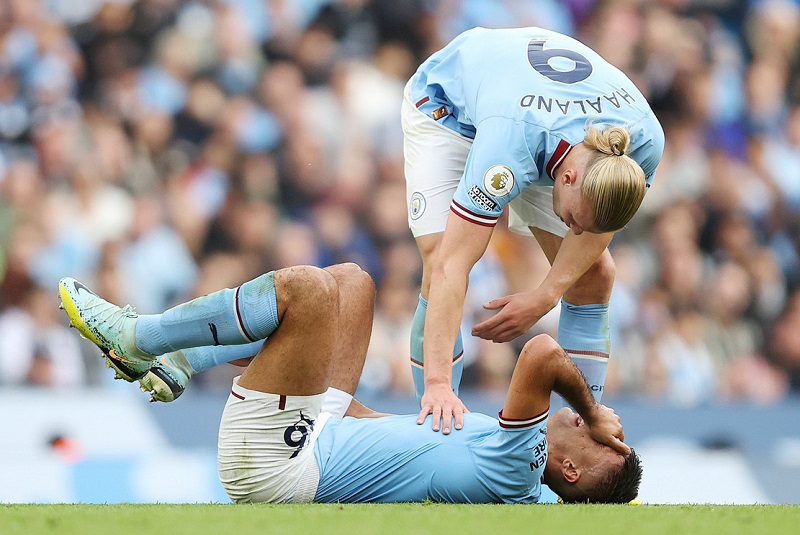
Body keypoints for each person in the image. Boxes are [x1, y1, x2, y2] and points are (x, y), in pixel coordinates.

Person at [57, 263, 641, 504]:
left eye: (602, 442)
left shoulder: (520, 465)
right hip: (321, 431)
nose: (601, 425)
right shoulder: (517, 467)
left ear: (570, 470)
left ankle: (143, 338)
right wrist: (307, 369)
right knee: (353, 284)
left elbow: (541, 353)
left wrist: (590, 411)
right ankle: (179, 362)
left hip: (279, 466)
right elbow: (382, 436)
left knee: (307, 293)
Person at [402, 26, 665, 433]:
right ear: (570, 177)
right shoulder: (508, 148)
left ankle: (583, 428)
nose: (576, 230)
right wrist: (437, 383)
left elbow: (596, 230)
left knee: (594, 275)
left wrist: (546, 296)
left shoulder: (642, 142)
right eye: (576, 220)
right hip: (447, 108)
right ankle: (435, 416)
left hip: (531, 114)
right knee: (440, 254)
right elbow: (452, 267)